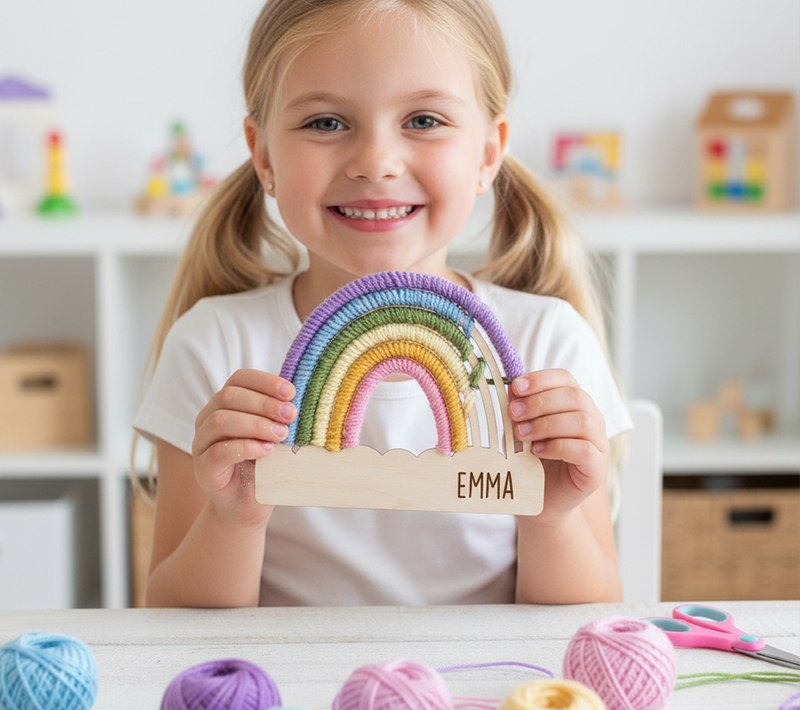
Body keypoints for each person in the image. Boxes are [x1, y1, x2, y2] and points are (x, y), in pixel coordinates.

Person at [133, 0, 631, 609]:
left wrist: (550, 516)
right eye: (325, 122)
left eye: (423, 120)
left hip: (477, 696)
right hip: (292, 698)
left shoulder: (549, 342)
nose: (375, 162)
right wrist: (234, 518)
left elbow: (596, 611)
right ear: (263, 154)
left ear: (487, 153)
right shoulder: (215, 346)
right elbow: (169, 618)